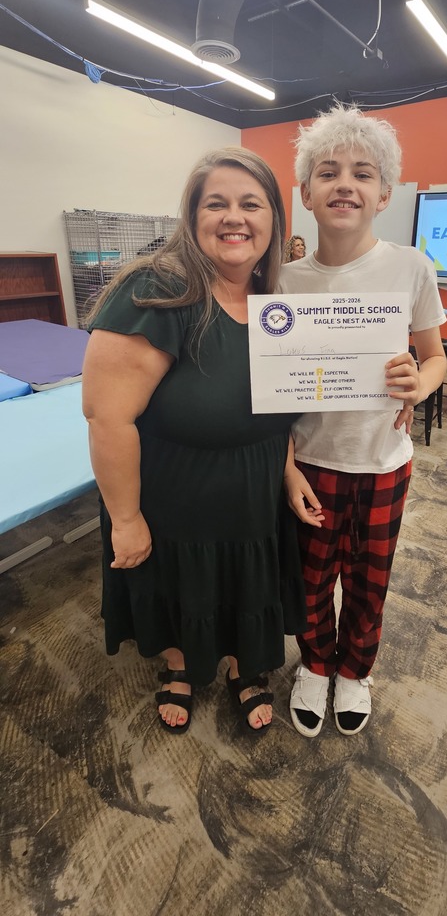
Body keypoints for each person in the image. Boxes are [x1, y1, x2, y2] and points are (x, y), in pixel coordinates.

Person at [82, 146, 308, 737]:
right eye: (217, 204)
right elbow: (107, 418)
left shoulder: (274, 305)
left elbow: (277, 412)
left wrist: (287, 470)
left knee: (242, 583)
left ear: (273, 223)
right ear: (193, 216)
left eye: (251, 204)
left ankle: (241, 665)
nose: (235, 217)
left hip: (253, 493)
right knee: (183, 587)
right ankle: (179, 668)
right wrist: (125, 518)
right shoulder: (155, 292)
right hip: (175, 496)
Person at [280, 103, 447, 737]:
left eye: (362, 172)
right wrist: (286, 466)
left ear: (384, 193)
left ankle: (355, 670)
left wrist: (419, 380)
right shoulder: (283, 280)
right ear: (305, 193)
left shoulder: (411, 267)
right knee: (312, 576)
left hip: (383, 460)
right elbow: (269, 392)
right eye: (327, 172)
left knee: (371, 577)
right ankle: (316, 664)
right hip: (310, 462)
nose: (344, 183)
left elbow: (432, 361)